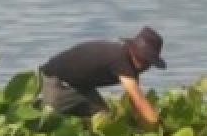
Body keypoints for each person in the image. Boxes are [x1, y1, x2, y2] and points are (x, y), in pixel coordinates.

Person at [38, 26, 166, 126]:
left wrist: (141, 124)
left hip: (81, 86)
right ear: (132, 50)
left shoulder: (131, 65)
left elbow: (134, 102)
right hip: (56, 81)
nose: (144, 64)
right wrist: (160, 128)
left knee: (104, 120)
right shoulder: (120, 59)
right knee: (47, 122)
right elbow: (138, 99)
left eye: (148, 61)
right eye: (142, 58)